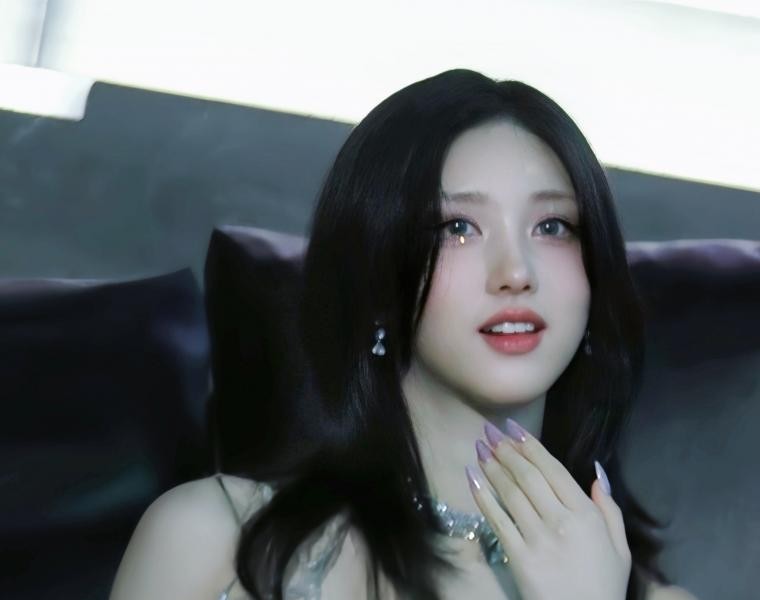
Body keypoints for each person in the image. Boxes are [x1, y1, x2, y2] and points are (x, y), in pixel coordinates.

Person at [108, 68, 699, 600]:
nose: (516, 272)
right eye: (457, 227)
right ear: (376, 276)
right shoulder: (209, 540)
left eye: (552, 226)